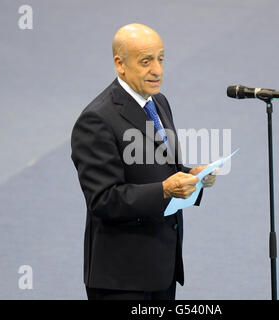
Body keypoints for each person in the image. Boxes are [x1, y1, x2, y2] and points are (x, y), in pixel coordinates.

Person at [70, 23, 216, 300]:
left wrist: (192, 176)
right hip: (122, 279)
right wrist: (165, 190)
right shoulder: (96, 120)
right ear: (120, 64)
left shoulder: (158, 102)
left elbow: (160, 167)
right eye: (146, 61)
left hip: (161, 267)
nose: (157, 70)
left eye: (161, 59)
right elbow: (103, 199)